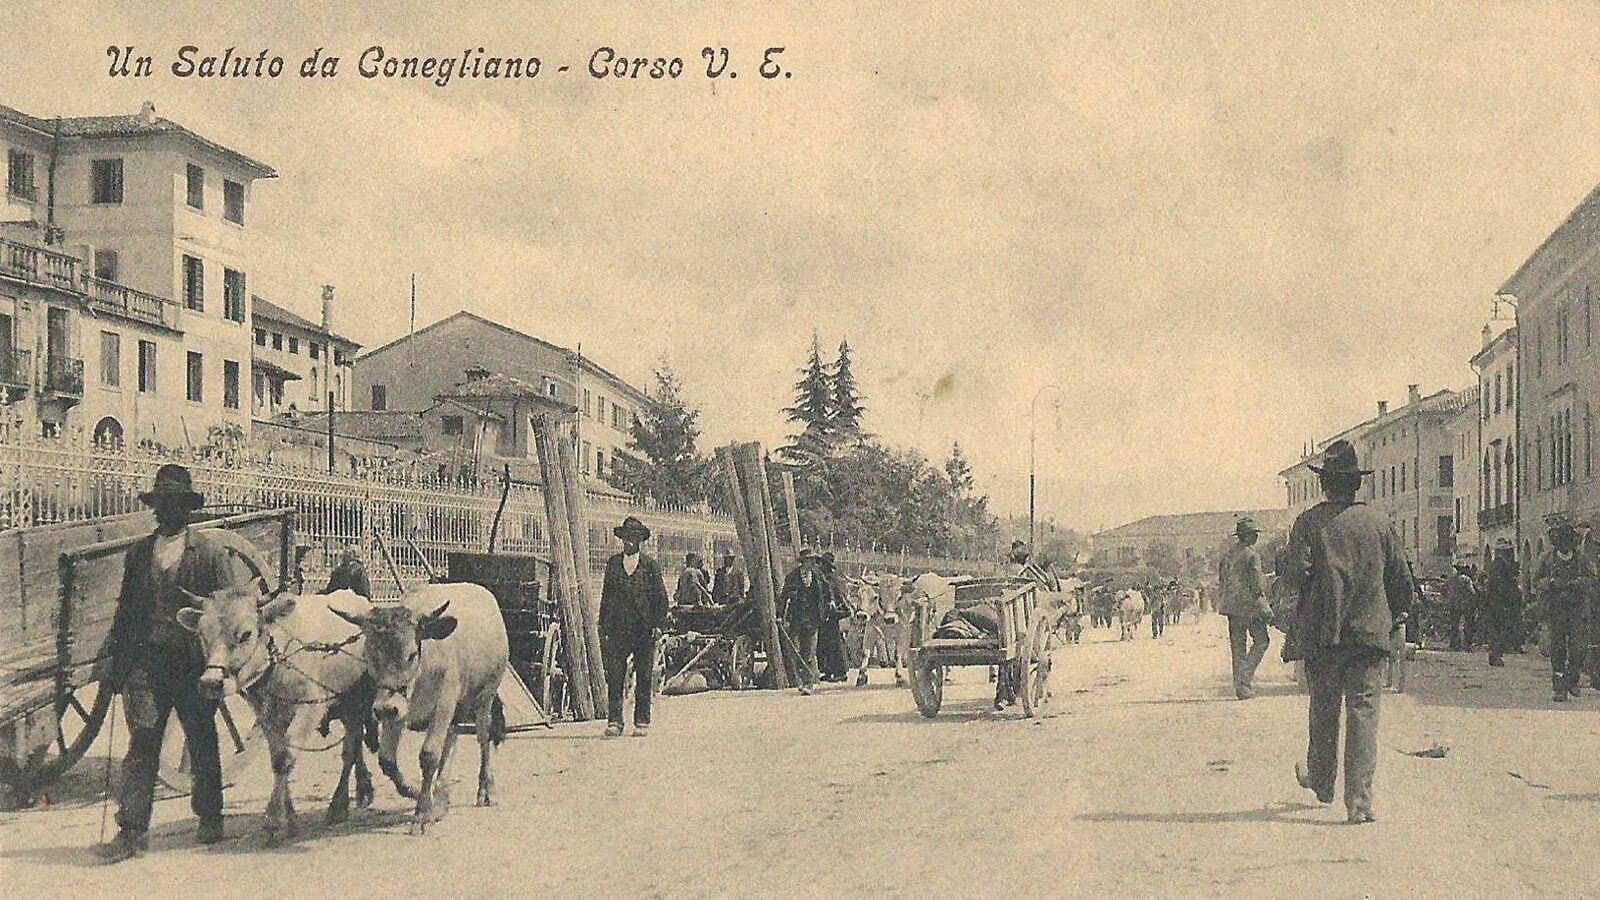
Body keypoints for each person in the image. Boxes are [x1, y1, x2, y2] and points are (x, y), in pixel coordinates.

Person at [94, 465, 248, 862]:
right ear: (155, 507)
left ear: (188, 509)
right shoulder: (139, 554)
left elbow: (228, 610)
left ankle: (210, 816)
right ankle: (131, 831)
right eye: (162, 504)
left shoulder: (210, 553)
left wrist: (219, 662)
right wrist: (116, 661)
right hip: (148, 663)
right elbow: (126, 613)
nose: (167, 511)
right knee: (143, 740)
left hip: (194, 664)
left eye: (175, 504)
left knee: (201, 737)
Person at [1280, 440, 1412, 825]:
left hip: (1324, 635)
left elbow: (1294, 574)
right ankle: (1359, 802)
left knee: (1323, 709)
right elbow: (1402, 580)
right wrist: (1396, 616)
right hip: (1370, 635)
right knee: (1364, 712)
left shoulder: (1308, 523)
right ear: (1356, 485)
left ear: (1325, 485)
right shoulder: (1380, 523)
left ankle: (1322, 783)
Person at [599, 516, 669, 737]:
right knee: (616, 675)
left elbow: (661, 598)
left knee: (644, 676)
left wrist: (658, 625)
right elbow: (606, 597)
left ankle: (641, 721)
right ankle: (615, 721)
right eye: (626, 538)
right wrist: (603, 625)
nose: (629, 542)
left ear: (640, 541)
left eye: (633, 539)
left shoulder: (650, 566)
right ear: (622, 540)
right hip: (618, 629)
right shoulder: (613, 564)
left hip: (643, 630)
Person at [1531, 516, 1595, 703]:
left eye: (1567, 542)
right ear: (1556, 542)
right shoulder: (1547, 559)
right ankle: (1560, 688)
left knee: (1578, 650)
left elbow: (1591, 579)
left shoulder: (1581, 559)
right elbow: (1536, 581)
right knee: (1558, 650)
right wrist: (1550, 582)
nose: (1564, 545)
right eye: (1561, 541)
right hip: (1556, 611)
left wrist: (1578, 583)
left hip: (1577, 611)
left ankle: (1572, 678)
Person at [1217, 517, 1271, 699]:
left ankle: (1241, 687)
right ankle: (1243, 680)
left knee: (1238, 646)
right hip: (1250, 607)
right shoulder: (1252, 555)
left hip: (1231, 607)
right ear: (1247, 536)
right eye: (1254, 534)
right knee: (1262, 641)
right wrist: (1266, 609)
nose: (1256, 537)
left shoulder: (1227, 555)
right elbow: (1257, 586)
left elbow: (1222, 580)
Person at [779, 548, 826, 694]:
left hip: (813, 620)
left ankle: (808, 683)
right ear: (803, 562)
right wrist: (780, 615)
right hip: (796, 619)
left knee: (809, 652)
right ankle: (801, 677)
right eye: (809, 560)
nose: (812, 563)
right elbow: (783, 598)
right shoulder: (792, 577)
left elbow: (827, 589)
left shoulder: (818, 576)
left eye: (813, 560)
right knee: (795, 651)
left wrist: (828, 604)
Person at [1482, 539, 1520, 667]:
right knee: (1501, 629)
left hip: (1495, 602)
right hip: (1500, 603)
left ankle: (1496, 654)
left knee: (1497, 629)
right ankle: (1496, 654)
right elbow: (1501, 585)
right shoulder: (1500, 565)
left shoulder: (1496, 565)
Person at [816, 552, 851, 682]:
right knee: (824, 644)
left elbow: (837, 597)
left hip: (831, 614)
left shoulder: (831, 579)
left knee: (834, 644)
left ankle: (840, 672)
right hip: (824, 614)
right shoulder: (823, 577)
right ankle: (828, 671)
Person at [1443, 560, 1478, 651]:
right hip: (1465, 605)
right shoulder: (1466, 579)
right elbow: (1472, 592)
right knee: (1468, 624)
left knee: (1454, 625)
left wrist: (1449, 596)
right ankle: (1467, 644)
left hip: (1453, 604)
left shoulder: (1450, 579)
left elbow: (1443, 589)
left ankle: (1454, 644)